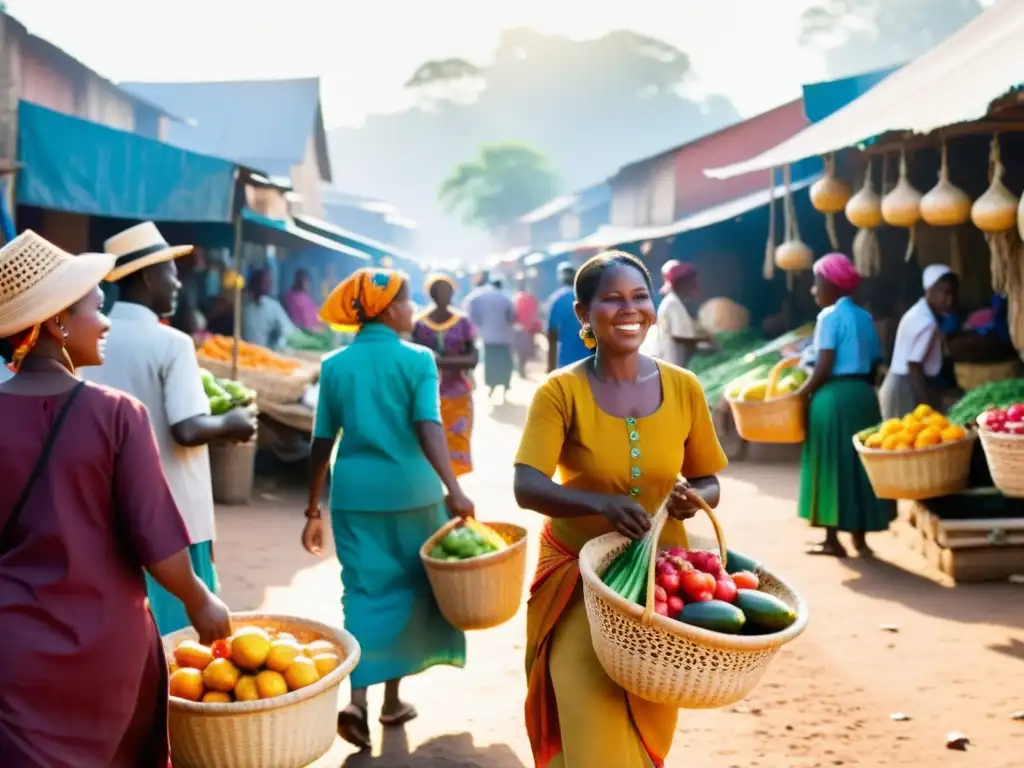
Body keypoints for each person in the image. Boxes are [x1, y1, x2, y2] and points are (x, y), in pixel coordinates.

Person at [0, 231, 231, 767]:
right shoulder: (116, 414)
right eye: (97, 309)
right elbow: (158, 543)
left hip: (11, 654)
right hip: (105, 651)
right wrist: (200, 600)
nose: (106, 323)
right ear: (57, 323)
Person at [513, 250, 728, 768]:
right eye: (611, 299)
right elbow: (527, 485)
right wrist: (599, 505)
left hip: (661, 594)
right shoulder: (559, 391)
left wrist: (691, 499)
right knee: (591, 722)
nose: (629, 310)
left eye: (639, 297)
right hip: (578, 584)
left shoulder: (685, 388)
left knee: (647, 722)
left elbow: (709, 480)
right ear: (583, 314)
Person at [302, 267, 476, 750]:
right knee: (411, 589)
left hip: (355, 497)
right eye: (405, 301)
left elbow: (321, 442)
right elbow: (429, 428)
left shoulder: (335, 364)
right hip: (414, 494)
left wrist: (313, 508)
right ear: (384, 308)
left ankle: (358, 701)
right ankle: (392, 702)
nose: (412, 310)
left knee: (361, 590)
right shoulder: (419, 358)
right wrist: (454, 488)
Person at [82, 222, 257, 635]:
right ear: (146, 276)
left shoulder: (90, 338)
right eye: (171, 271)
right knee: (178, 643)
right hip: (173, 520)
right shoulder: (171, 343)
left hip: (104, 512)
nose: (179, 282)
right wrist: (231, 424)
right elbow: (188, 428)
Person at [798, 253, 894, 558]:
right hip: (864, 397)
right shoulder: (865, 317)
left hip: (834, 398)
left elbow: (824, 366)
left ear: (830, 284)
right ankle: (860, 538)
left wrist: (801, 393)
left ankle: (831, 539)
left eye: (816, 282)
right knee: (860, 467)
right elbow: (877, 362)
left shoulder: (828, 316)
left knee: (831, 465)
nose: (814, 290)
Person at [412, 273, 479, 476]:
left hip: (458, 394)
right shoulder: (419, 324)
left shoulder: (462, 322)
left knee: (457, 443)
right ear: (431, 294)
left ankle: (452, 492)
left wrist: (437, 361)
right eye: (440, 292)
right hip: (427, 394)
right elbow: (414, 362)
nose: (445, 296)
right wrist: (455, 362)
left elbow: (473, 359)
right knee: (427, 445)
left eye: (448, 291)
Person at [879, 265, 960, 420]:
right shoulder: (925, 322)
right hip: (905, 387)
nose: (950, 300)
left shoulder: (919, 313)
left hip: (903, 383)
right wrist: (924, 407)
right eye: (945, 293)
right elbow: (914, 366)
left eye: (953, 294)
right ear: (929, 290)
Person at [464, 271, 515, 402]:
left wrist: (478, 325)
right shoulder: (506, 297)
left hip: (488, 337)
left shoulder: (481, 295)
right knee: (504, 363)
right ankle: (504, 388)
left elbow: (469, 307)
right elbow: (511, 318)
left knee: (491, 363)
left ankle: (492, 386)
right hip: (504, 337)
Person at [657, 259, 717, 369]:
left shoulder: (676, 302)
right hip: (675, 366)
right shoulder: (672, 303)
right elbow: (682, 338)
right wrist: (705, 340)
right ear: (680, 284)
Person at [545, 261, 592, 373]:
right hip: (589, 359)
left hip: (566, 361)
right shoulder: (587, 297)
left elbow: (552, 335)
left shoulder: (556, 300)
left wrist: (551, 367)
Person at [242, 267, 296, 349]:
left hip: (264, 355)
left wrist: (278, 348)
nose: (269, 284)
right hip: (240, 354)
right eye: (265, 281)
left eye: (269, 281)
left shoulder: (273, 306)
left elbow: (289, 331)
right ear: (255, 283)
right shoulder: (242, 305)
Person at [512, 278, 541, 378]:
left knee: (519, 351)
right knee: (524, 352)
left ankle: (520, 369)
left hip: (518, 329)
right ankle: (522, 368)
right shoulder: (531, 298)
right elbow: (535, 314)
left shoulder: (516, 298)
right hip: (528, 330)